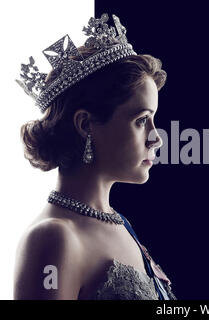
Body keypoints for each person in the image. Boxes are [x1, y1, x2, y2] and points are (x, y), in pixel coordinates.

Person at [14, 13, 176, 300]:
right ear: (86, 124)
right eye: (141, 120)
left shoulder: (119, 222)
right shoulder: (54, 238)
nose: (156, 137)